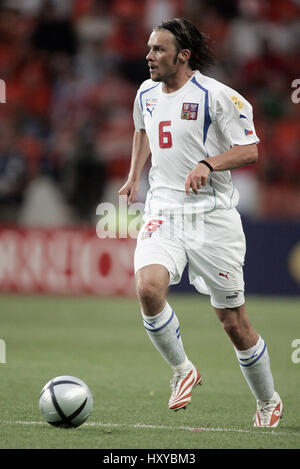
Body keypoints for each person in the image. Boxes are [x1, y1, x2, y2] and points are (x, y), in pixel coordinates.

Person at [119, 18, 283, 427]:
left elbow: (250, 151)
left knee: (234, 324)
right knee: (148, 287)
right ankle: (182, 369)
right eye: (149, 48)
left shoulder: (218, 97)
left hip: (213, 219)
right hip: (164, 212)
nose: (149, 56)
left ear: (183, 55)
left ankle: (268, 402)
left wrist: (209, 163)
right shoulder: (146, 92)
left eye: (158, 50)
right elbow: (142, 130)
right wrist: (134, 175)